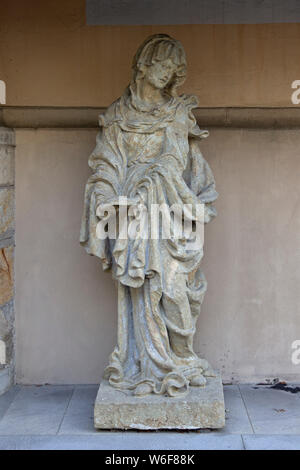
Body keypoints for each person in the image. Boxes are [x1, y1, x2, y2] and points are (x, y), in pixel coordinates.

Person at [80, 34, 218, 397]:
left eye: (173, 69)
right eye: (162, 65)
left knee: (174, 288)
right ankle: (144, 368)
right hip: (130, 218)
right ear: (144, 64)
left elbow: (181, 161)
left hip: (168, 210)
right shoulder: (117, 117)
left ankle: (181, 358)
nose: (166, 74)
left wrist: (154, 186)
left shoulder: (177, 114)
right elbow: (106, 165)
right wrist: (107, 198)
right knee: (138, 291)